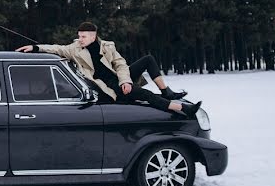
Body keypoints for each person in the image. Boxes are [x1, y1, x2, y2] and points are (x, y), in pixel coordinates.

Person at [15, 22, 200, 116]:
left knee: (148, 60)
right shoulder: (75, 49)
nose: (80, 39)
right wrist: (36, 47)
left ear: (94, 36)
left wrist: (126, 80)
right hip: (107, 87)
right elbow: (56, 48)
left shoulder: (107, 47)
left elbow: (120, 65)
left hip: (119, 79)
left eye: (84, 36)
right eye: (79, 36)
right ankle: (181, 108)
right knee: (145, 95)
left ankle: (165, 91)